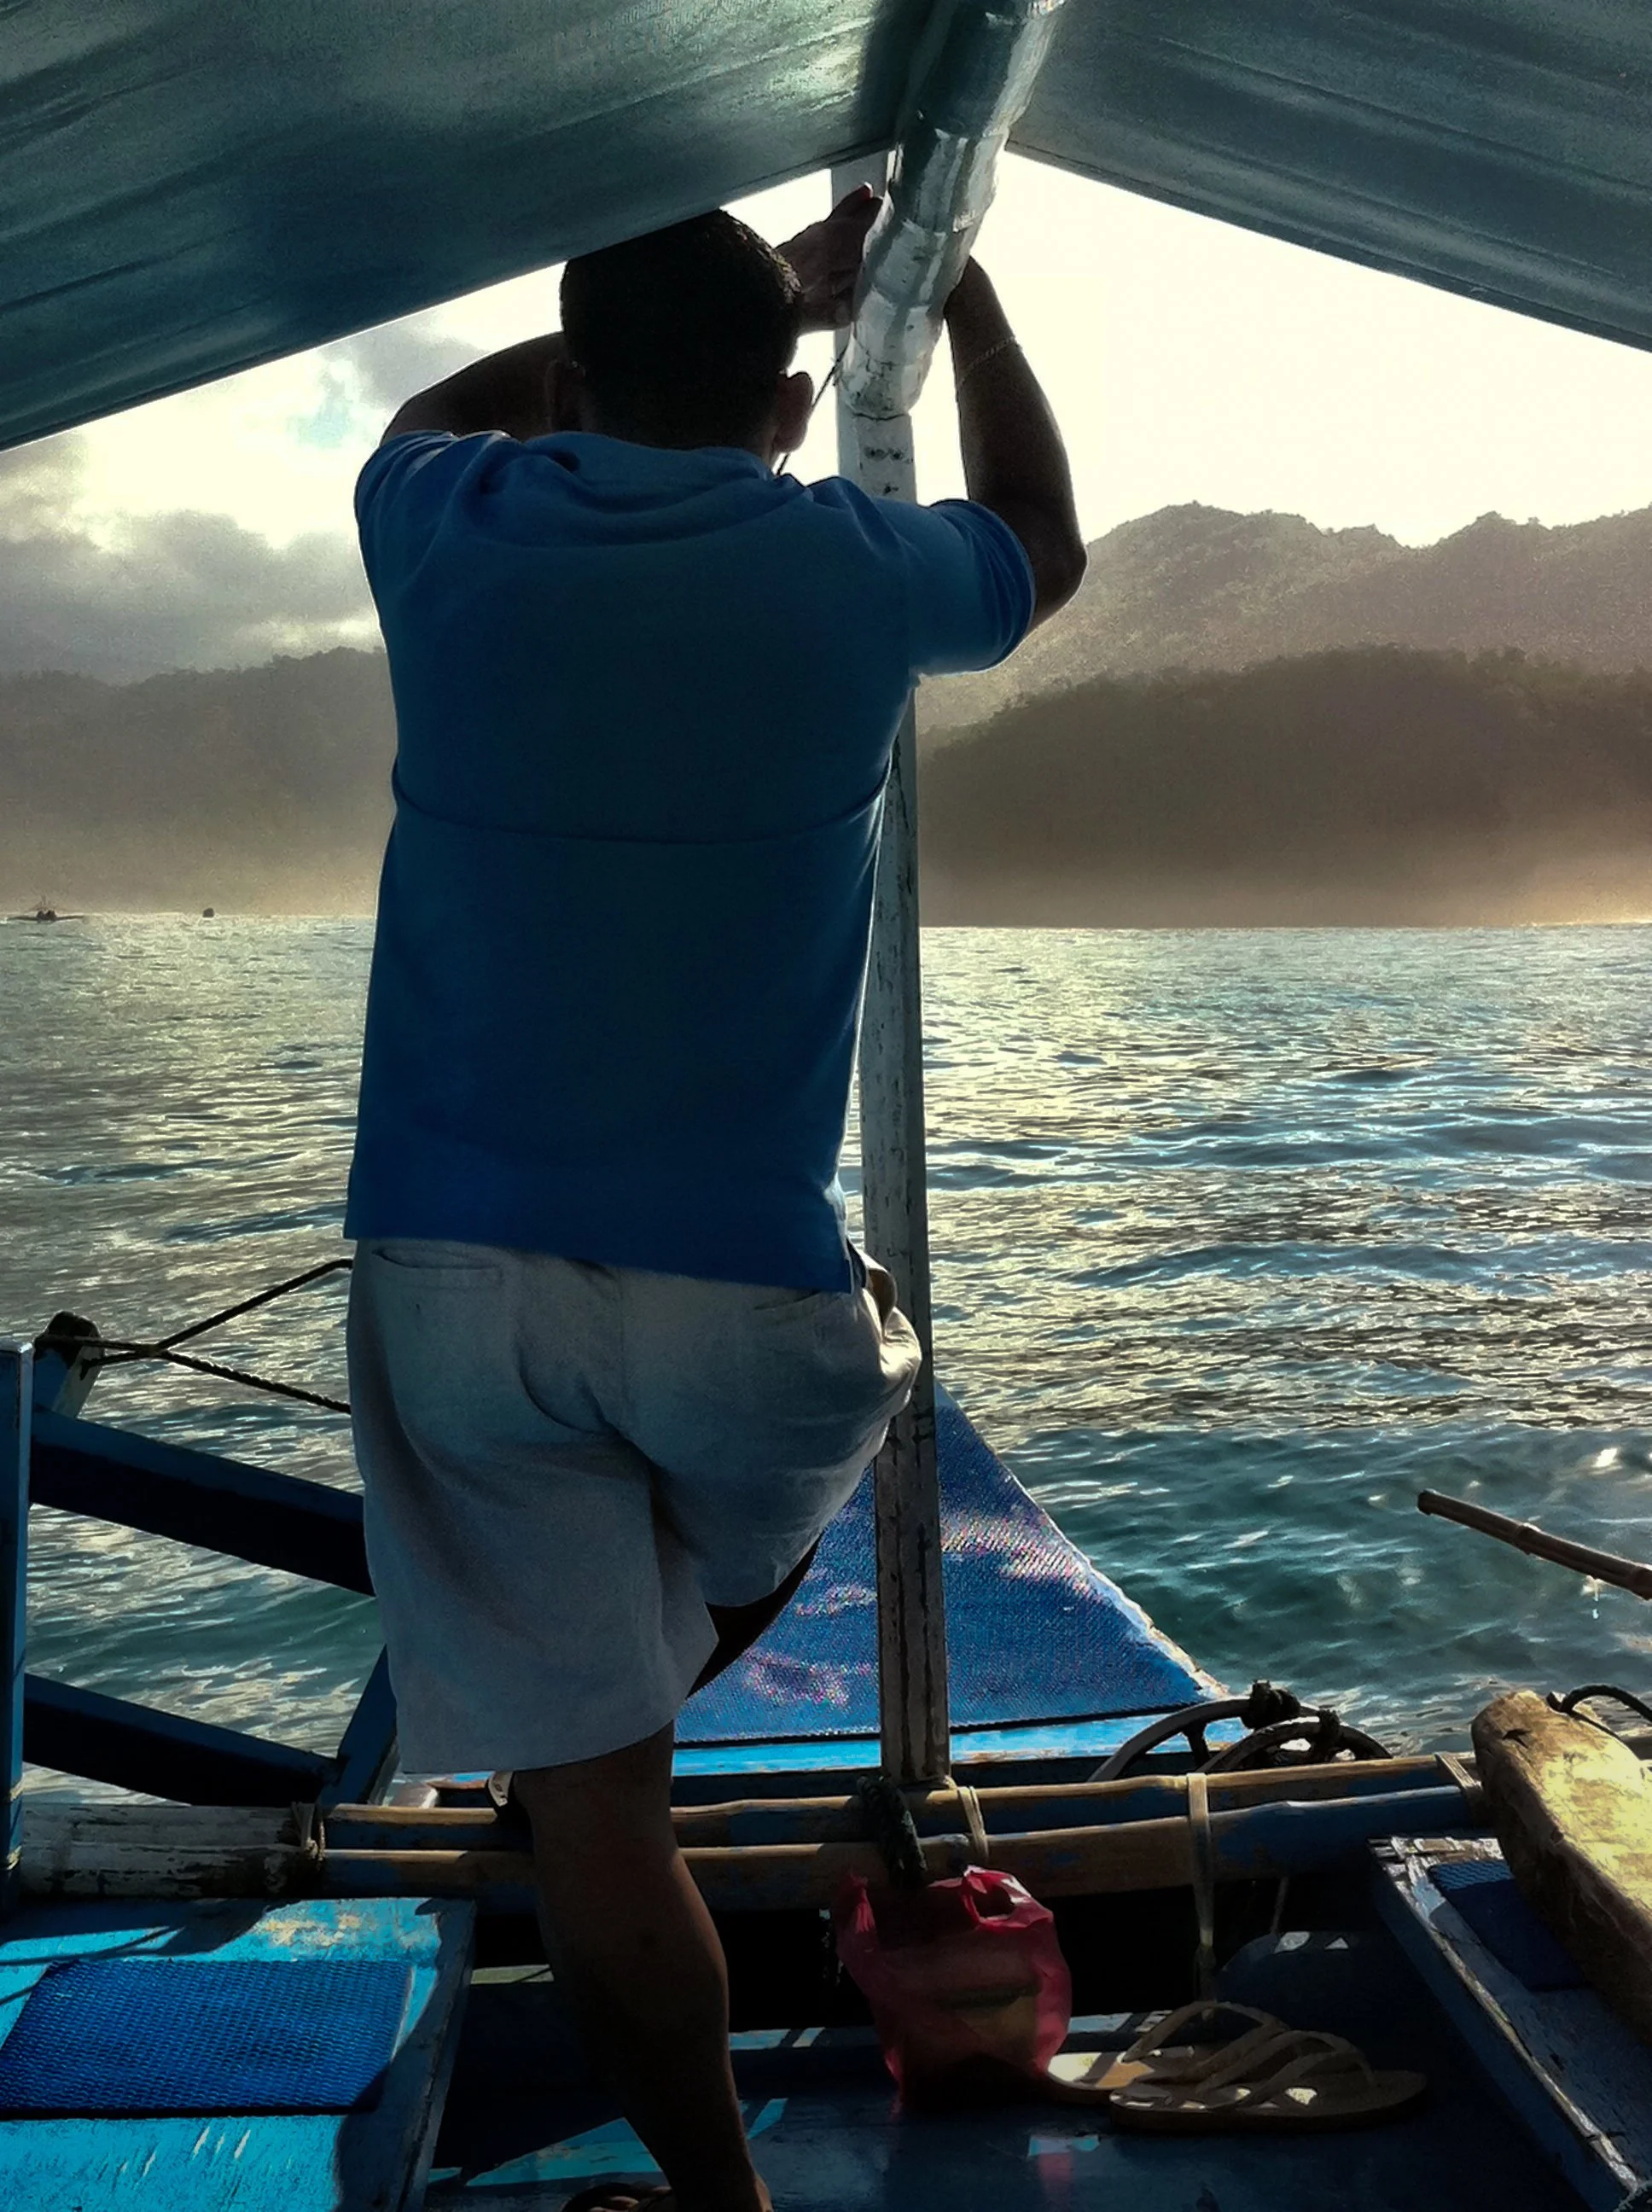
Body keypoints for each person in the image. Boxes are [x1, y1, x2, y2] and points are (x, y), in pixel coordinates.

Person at [345, 188, 1083, 2212]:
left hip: (454, 1281)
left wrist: (729, 310)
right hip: (757, 1324)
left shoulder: (445, 532)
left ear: (576, 383)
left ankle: (717, 2198)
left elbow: (427, 411)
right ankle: (606, 1693)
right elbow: (1042, 542)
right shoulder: (850, 568)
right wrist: (969, 316)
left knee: (594, 1800)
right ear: (779, 404)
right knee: (775, 1484)